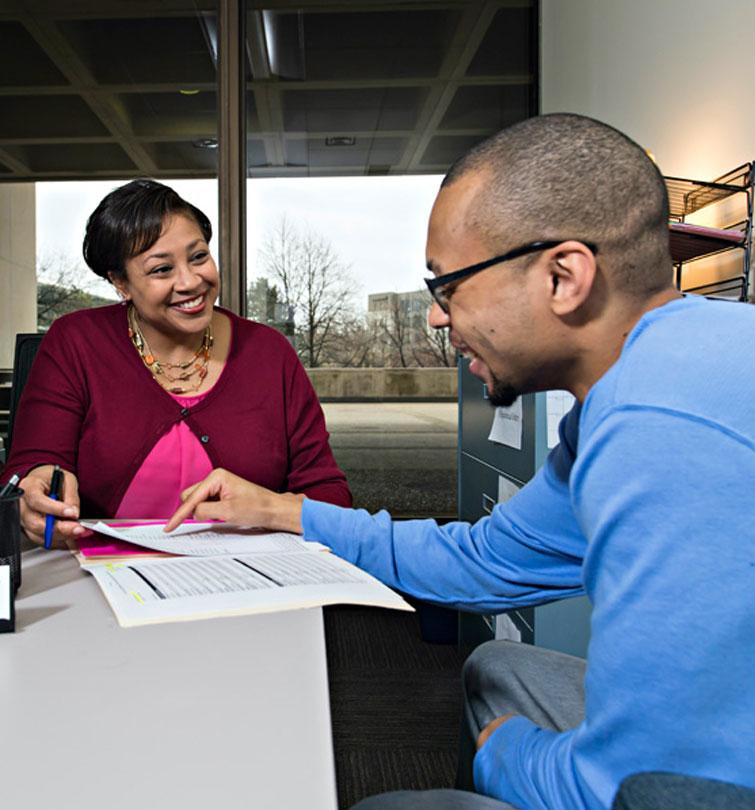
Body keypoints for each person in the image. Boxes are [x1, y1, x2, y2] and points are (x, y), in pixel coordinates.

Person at [166, 114, 755, 809]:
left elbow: (646, 789)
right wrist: (283, 510)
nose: (437, 318)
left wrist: (506, 752)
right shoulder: (657, 373)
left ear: (563, 277)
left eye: (448, 287)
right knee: (495, 664)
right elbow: (484, 561)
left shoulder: (660, 432)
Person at [2, 179, 350, 546]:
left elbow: (328, 494)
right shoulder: (75, 341)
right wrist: (37, 487)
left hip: (253, 577)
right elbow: (34, 462)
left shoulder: (269, 352)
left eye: (198, 256)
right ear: (121, 282)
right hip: (103, 575)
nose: (190, 281)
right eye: (161, 270)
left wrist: (269, 508)